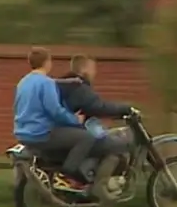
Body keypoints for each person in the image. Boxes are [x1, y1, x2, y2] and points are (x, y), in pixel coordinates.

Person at [13, 47, 98, 193]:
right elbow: (55, 111)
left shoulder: (23, 83)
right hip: (42, 133)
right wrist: (75, 120)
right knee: (86, 137)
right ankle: (68, 176)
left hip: (22, 133)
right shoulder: (46, 83)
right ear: (47, 62)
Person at [55, 54, 137, 187]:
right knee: (117, 145)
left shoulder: (64, 84)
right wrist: (126, 108)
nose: (94, 73)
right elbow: (98, 107)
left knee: (103, 137)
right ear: (84, 70)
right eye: (93, 69)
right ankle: (102, 184)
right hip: (76, 132)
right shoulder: (79, 87)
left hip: (67, 132)